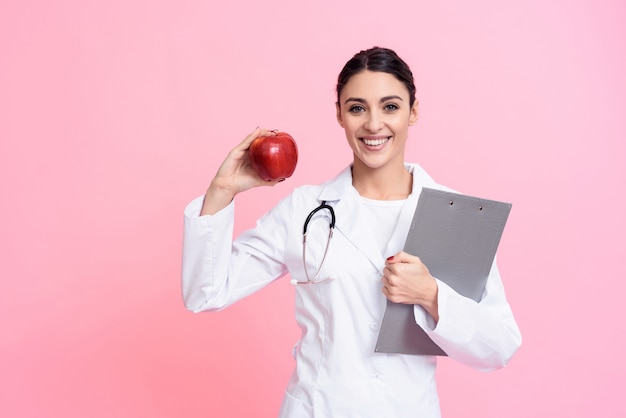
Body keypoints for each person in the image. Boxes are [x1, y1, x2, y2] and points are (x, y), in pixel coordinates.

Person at [182, 47, 522, 418]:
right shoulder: (305, 209)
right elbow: (205, 293)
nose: (373, 124)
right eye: (357, 108)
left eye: (390, 106)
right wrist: (222, 192)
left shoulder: (456, 216)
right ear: (340, 115)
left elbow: (499, 346)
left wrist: (432, 295)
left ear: (414, 111)